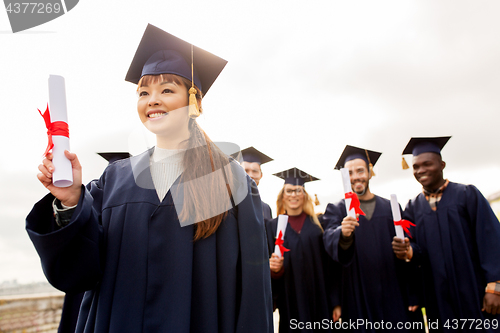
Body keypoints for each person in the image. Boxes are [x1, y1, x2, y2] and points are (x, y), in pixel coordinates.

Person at [27, 24, 273, 333]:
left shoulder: (231, 182)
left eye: (167, 90)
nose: (152, 100)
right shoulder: (114, 180)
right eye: (144, 92)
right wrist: (72, 202)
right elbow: (80, 273)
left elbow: (253, 293)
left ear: (193, 100)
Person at [393, 137, 500, 332]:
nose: (420, 171)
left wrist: (495, 287)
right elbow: (416, 251)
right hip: (438, 297)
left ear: (442, 165)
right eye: (416, 167)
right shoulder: (412, 208)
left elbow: (491, 239)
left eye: (427, 164)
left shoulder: (467, 195)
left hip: (475, 292)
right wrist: (407, 250)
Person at [322, 145, 417, 332]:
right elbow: (329, 245)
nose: (356, 176)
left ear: (370, 172)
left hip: (393, 292)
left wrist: (412, 291)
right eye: (350, 173)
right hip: (356, 293)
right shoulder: (337, 210)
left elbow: (411, 248)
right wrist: (343, 234)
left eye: (360, 171)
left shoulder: (391, 207)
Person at [266, 167, 340, 332]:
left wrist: (335, 302)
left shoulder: (319, 225)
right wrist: (274, 270)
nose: (293, 195)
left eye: (298, 190)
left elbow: (330, 267)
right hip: (290, 300)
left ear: (305, 195)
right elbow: (270, 268)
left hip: (320, 299)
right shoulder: (272, 227)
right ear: (282, 196)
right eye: (289, 191)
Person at [237, 146, 274, 222]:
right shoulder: (228, 205)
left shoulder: (266, 208)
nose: (250, 175)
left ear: (261, 175)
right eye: (246, 170)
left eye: (255, 171)